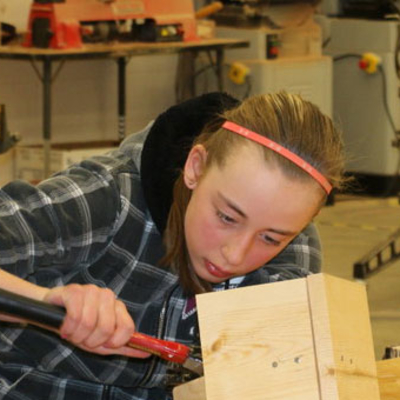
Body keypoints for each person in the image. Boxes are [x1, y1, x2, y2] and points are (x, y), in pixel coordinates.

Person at [0, 91, 345, 399]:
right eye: (227, 217)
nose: (235, 255)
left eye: (270, 238)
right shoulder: (107, 199)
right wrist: (44, 302)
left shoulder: (294, 251)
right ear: (195, 167)